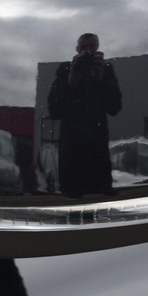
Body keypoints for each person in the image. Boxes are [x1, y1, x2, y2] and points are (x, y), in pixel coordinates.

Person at [47, 33, 122, 196]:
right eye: (83, 48)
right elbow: (54, 111)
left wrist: (101, 79)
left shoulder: (106, 69)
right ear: (77, 49)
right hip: (71, 149)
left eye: (91, 47)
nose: (87, 51)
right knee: (71, 199)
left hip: (98, 150)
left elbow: (115, 108)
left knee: (102, 201)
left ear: (98, 48)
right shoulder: (66, 70)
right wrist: (72, 79)